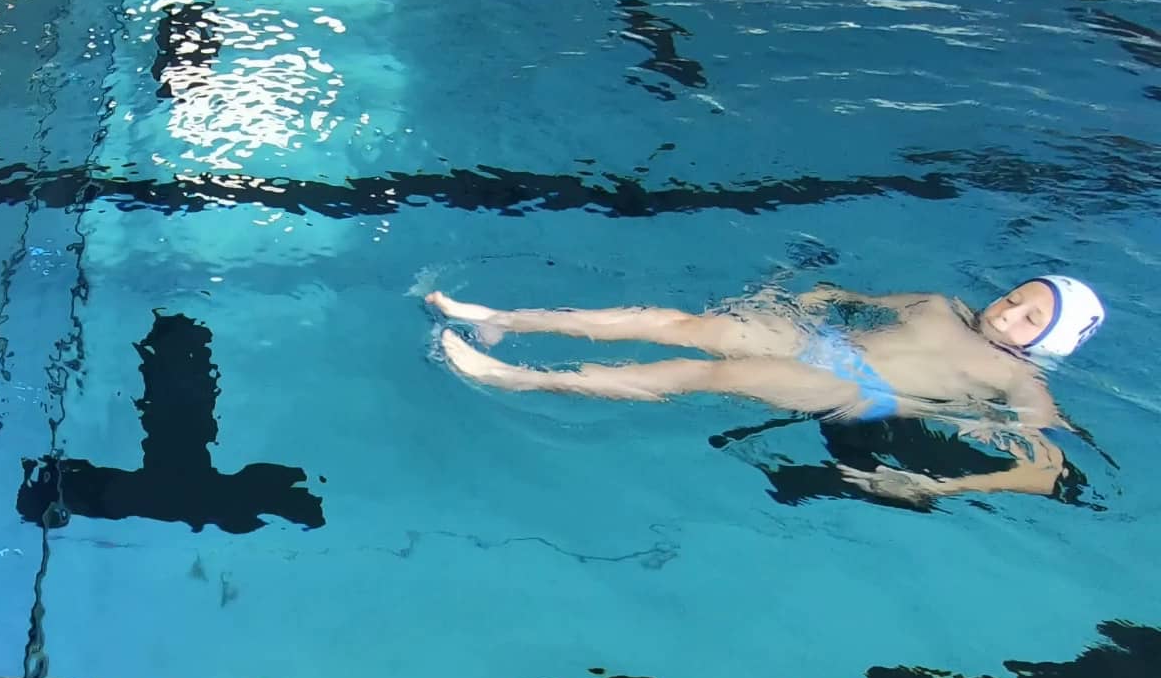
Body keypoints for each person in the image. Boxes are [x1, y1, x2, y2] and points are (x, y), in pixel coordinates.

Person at [426, 276, 1106, 505]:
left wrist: (940, 485)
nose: (1008, 314)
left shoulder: (1020, 379)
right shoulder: (940, 304)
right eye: (1015, 298)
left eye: (1030, 319)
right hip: (826, 345)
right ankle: (503, 318)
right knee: (677, 324)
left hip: (856, 385)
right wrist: (812, 300)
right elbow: (858, 303)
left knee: (707, 374)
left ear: (1051, 343)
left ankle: (518, 376)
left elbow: (1045, 466)